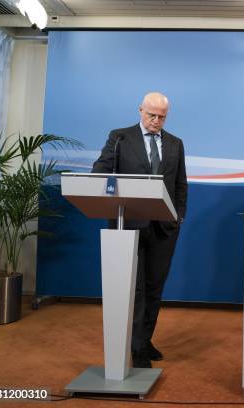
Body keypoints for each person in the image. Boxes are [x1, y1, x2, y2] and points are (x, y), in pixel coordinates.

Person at [92, 92, 187, 368]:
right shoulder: (120, 138)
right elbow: (100, 171)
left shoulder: (175, 143)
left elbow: (180, 184)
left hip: (163, 228)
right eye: (152, 115)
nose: (156, 121)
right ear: (140, 111)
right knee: (134, 290)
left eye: (162, 117)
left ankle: (144, 340)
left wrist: (179, 216)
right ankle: (136, 348)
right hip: (128, 224)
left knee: (154, 287)